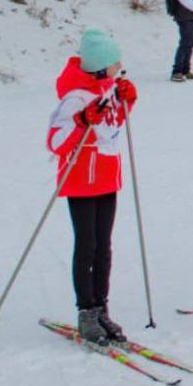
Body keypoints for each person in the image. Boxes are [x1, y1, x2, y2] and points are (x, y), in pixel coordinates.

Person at [45, 29, 138, 344]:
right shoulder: (76, 97)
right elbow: (56, 141)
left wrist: (128, 99)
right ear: (100, 66)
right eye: (115, 63)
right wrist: (83, 119)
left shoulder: (107, 89)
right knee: (87, 246)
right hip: (82, 182)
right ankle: (86, 311)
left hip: (107, 179)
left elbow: (112, 127)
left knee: (104, 247)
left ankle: (101, 307)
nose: (119, 66)